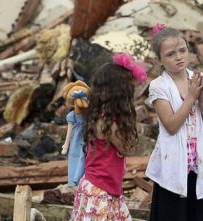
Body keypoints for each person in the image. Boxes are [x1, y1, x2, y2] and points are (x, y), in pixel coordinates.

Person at [145, 23, 203, 221]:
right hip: (173, 164)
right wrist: (191, 97)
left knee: (197, 215)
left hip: (197, 162)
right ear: (159, 59)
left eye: (183, 50)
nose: (179, 57)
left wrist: (201, 97)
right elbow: (171, 125)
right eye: (170, 54)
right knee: (173, 215)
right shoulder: (159, 86)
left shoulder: (201, 79)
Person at [70, 52, 147, 221]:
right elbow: (127, 148)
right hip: (100, 190)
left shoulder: (100, 116)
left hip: (103, 187)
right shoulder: (110, 124)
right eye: (130, 90)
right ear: (120, 93)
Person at [61, 80, 91, 187]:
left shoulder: (89, 113)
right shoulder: (72, 115)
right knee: (75, 156)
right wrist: (66, 144)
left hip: (88, 136)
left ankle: (84, 179)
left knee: (86, 157)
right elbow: (69, 131)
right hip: (77, 138)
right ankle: (74, 180)